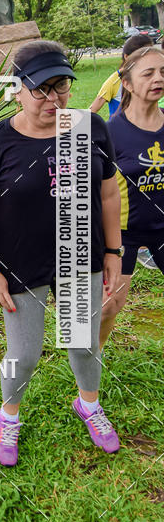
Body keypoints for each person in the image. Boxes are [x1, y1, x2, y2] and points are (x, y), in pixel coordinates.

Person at [0, 40, 123, 466]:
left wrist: (113, 250)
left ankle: (89, 404)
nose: (53, 99)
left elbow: (108, 194)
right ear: (16, 89)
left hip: (79, 255)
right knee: (25, 353)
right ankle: (8, 415)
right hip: (21, 262)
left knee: (83, 343)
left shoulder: (89, 127)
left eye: (62, 87)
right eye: (40, 89)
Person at [99, 46, 164, 347]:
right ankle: (91, 358)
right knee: (109, 306)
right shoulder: (111, 133)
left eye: (162, 72)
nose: (157, 79)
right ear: (126, 83)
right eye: (148, 73)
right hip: (123, 233)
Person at [90, 33, 153, 119]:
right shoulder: (115, 80)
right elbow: (92, 110)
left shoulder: (155, 78)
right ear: (127, 57)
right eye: (141, 56)